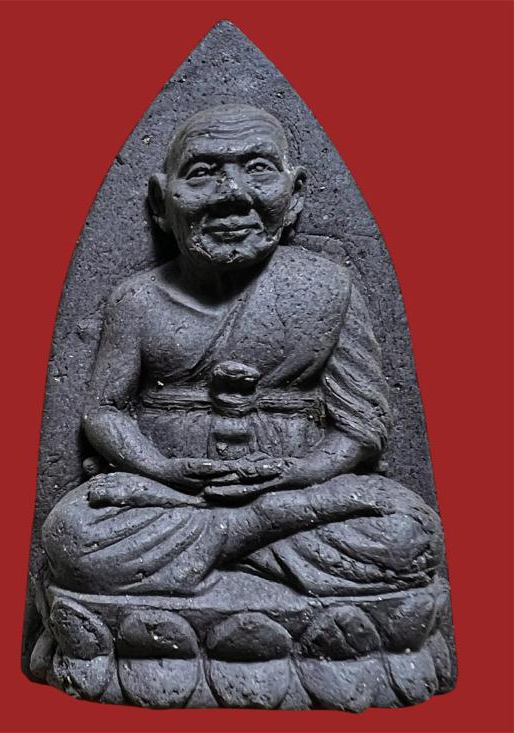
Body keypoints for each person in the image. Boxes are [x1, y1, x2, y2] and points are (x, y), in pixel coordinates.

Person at [43, 105, 443, 598]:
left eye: (258, 169)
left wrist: (299, 475)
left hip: (297, 491)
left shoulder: (328, 289)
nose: (232, 194)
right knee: (74, 537)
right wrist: (160, 469)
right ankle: (255, 536)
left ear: (295, 195)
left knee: (408, 533)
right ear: (161, 202)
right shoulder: (137, 300)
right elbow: (105, 411)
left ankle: (221, 547)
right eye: (201, 173)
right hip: (170, 496)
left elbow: (363, 427)